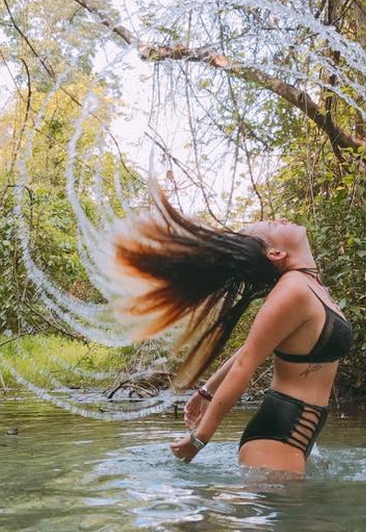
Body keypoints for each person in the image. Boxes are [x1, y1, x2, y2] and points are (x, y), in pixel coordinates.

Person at [109, 188, 352, 475]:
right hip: (277, 436)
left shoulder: (312, 287)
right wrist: (199, 440)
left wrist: (207, 391)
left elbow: (251, 347)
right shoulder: (293, 289)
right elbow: (245, 365)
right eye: (275, 225)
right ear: (276, 253)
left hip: (298, 434)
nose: (282, 218)